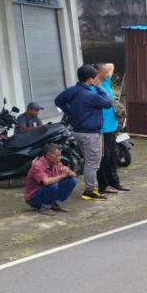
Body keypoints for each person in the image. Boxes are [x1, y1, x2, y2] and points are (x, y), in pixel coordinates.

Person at [54, 64, 112, 201]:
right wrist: (99, 87)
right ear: (91, 79)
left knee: (88, 161)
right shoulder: (90, 95)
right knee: (93, 163)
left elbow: (58, 101)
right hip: (90, 134)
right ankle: (89, 191)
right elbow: (107, 103)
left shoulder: (72, 91)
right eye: (95, 77)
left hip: (77, 131)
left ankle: (91, 187)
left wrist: (70, 112)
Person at [92, 63, 129, 194]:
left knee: (113, 157)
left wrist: (103, 69)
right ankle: (104, 185)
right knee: (104, 159)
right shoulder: (93, 88)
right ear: (97, 72)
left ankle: (115, 183)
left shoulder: (105, 81)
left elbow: (112, 65)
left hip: (112, 126)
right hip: (102, 129)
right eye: (104, 71)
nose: (108, 73)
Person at [24, 143, 77, 215]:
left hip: (47, 191)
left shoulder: (57, 162)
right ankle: (45, 207)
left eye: (60, 155)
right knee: (53, 185)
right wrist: (62, 176)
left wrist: (69, 172)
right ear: (49, 155)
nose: (60, 157)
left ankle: (55, 205)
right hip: (34, 198)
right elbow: (46, 182)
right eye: (57, 155)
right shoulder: (37, 165)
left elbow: (74, 175)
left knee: (72, 180)